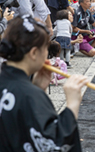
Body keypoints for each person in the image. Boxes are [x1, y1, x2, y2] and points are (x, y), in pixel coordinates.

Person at [0, 15, 88, 151]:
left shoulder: (17, 88)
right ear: (34, 53)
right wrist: (72, 106)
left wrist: (37, 88)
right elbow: (53, 144)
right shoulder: (29, 95)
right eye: (45, 48)